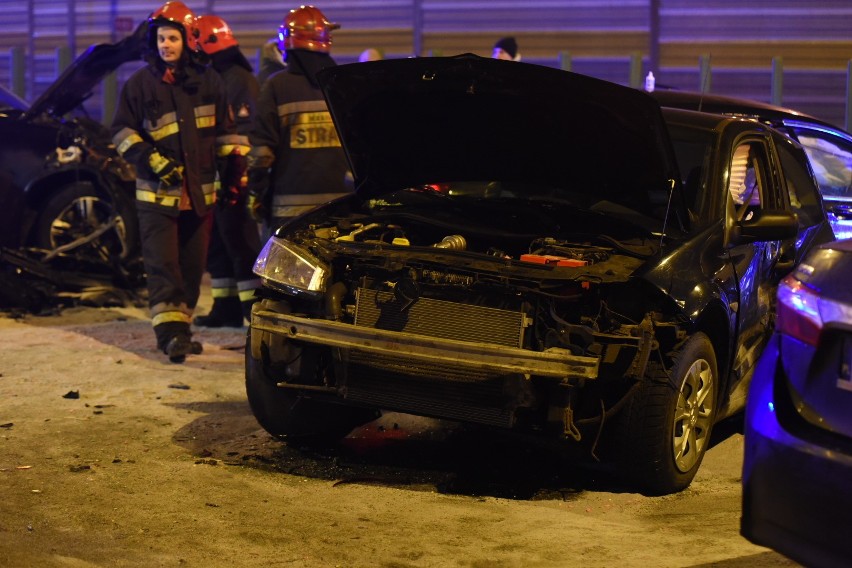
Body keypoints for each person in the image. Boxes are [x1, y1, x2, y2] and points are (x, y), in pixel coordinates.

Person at [111, 1, 245, 362]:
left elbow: (225, 134)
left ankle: (181, 330)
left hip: (199, 196)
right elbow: (121, 131)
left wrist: (234, 174)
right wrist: (151, 159)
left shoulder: (209, 82)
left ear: (188, 40)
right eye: (159, 38)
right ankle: (170, 335)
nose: (165, 45)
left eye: (172, 38)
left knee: (190, 268)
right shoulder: (140, 85)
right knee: (163, 266)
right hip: (156, 197)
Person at [246, 5, 351, 235]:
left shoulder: (277, 85)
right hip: (342, 208)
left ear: (287, 43)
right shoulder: (344, 83)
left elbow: (262, 151)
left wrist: (256, 192)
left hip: (289, 213)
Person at [193, 14, 262, 328]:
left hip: (234, 176)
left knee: (240, 242)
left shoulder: (237, 79)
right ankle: (225, 307)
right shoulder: (216, 76)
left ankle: (252, 311)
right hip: (215, 175)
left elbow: (240, 135)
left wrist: (232, 177)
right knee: (218, 244)